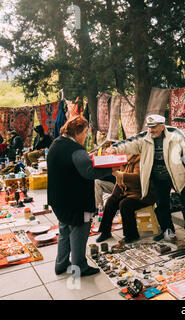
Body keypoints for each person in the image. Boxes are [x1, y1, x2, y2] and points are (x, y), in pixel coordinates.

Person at [106, 114, 185, 245]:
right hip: (159, 178)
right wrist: (115, 148)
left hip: (178, 175)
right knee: (162, 206)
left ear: (162, 126)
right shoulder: (145, 137)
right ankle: (167, 230)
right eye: (149, 127)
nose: (151, 130)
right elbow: (130, 143)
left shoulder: (175, 134)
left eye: (154, 127)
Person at [47, 116, 113, 277]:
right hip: (76, 202)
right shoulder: (75, 149)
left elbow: (72, 166)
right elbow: (89, 172)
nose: (86, 136)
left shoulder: (56, 143)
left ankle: (61, 264)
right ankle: (80, 267)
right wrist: (112, 169)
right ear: (77, 132)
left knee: (64, 231)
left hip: (58, 200)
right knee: (79, 232)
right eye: (85, 132)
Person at [95, 154, 155, 243]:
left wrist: (119, 174)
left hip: (143, 194)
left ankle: (131, 235)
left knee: (125, 204)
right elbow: (119, 182)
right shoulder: (123, 160)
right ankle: (105, 231)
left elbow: (138, 179)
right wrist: (115, 195)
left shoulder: (140, 159)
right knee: (111, 201)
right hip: (129, 192)